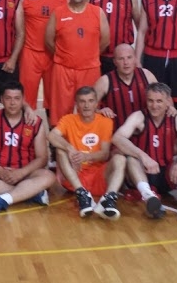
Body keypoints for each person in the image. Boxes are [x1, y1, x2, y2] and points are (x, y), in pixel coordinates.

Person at [113, 82, 177, 220]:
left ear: (167, 102)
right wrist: (142, 155)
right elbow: (117, 138)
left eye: (159, 101)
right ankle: (148, 196)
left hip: (167, 174)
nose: (154, 105)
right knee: (131, 158)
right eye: (150, 101)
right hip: (142, 172)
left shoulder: (176, 120)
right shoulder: (139, 117)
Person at [0, 82, 54, 215]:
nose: (12, 103)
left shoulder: (35, 122)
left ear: (23, 100)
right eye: (8, 98)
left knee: (49, 177)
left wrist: (21, 173)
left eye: (17, 98)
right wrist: (0, 171)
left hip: (26, 173)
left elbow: (42, 158)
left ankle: (3, 199)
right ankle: (29, 193)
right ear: (1, 99)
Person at [48, 86, 126, 219]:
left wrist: (85, 156)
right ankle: (82, 194)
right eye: (82, 101)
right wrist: (70, 148)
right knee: (60, 150)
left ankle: (108, 199)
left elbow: (105, 154)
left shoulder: (105, 122)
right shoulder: (68, 119)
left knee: (120, 158)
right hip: (75, 175)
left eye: (90, 101)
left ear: (96, 103)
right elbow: (51, 135)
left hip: (98, 176)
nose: (86, 105)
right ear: (76, 104)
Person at [45, 0, 109, 126]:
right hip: (63, 70)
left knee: (89, 109)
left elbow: (105, 40)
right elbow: (48, 40)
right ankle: (58, 139)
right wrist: (64, 55)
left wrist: (89, 55)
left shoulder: (97, 12)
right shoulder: (58, 12)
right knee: (60, 112)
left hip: (90, 69)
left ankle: (87, 139)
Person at [16, 0, 67, 112]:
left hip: (54, 53)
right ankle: (26, 126)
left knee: (54, 99)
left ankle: (54, 126)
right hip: (30, 53)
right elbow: (16, 24)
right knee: (26, 97)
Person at [89, 0, 141, 75]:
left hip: (122, 58)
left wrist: (137, 55)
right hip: (97, 55)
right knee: (97, 86)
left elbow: (140, 28)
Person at [92, 44, 158, 131]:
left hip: (145, 131)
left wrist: (171, 108)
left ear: (135, 58)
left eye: (129, 57)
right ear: (115, 61)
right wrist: (100, 111)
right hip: (117, 132)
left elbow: (164, 99)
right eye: (121, 59)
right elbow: (88, 106)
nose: (126, 62)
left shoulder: (147, 76)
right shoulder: (105, 81)